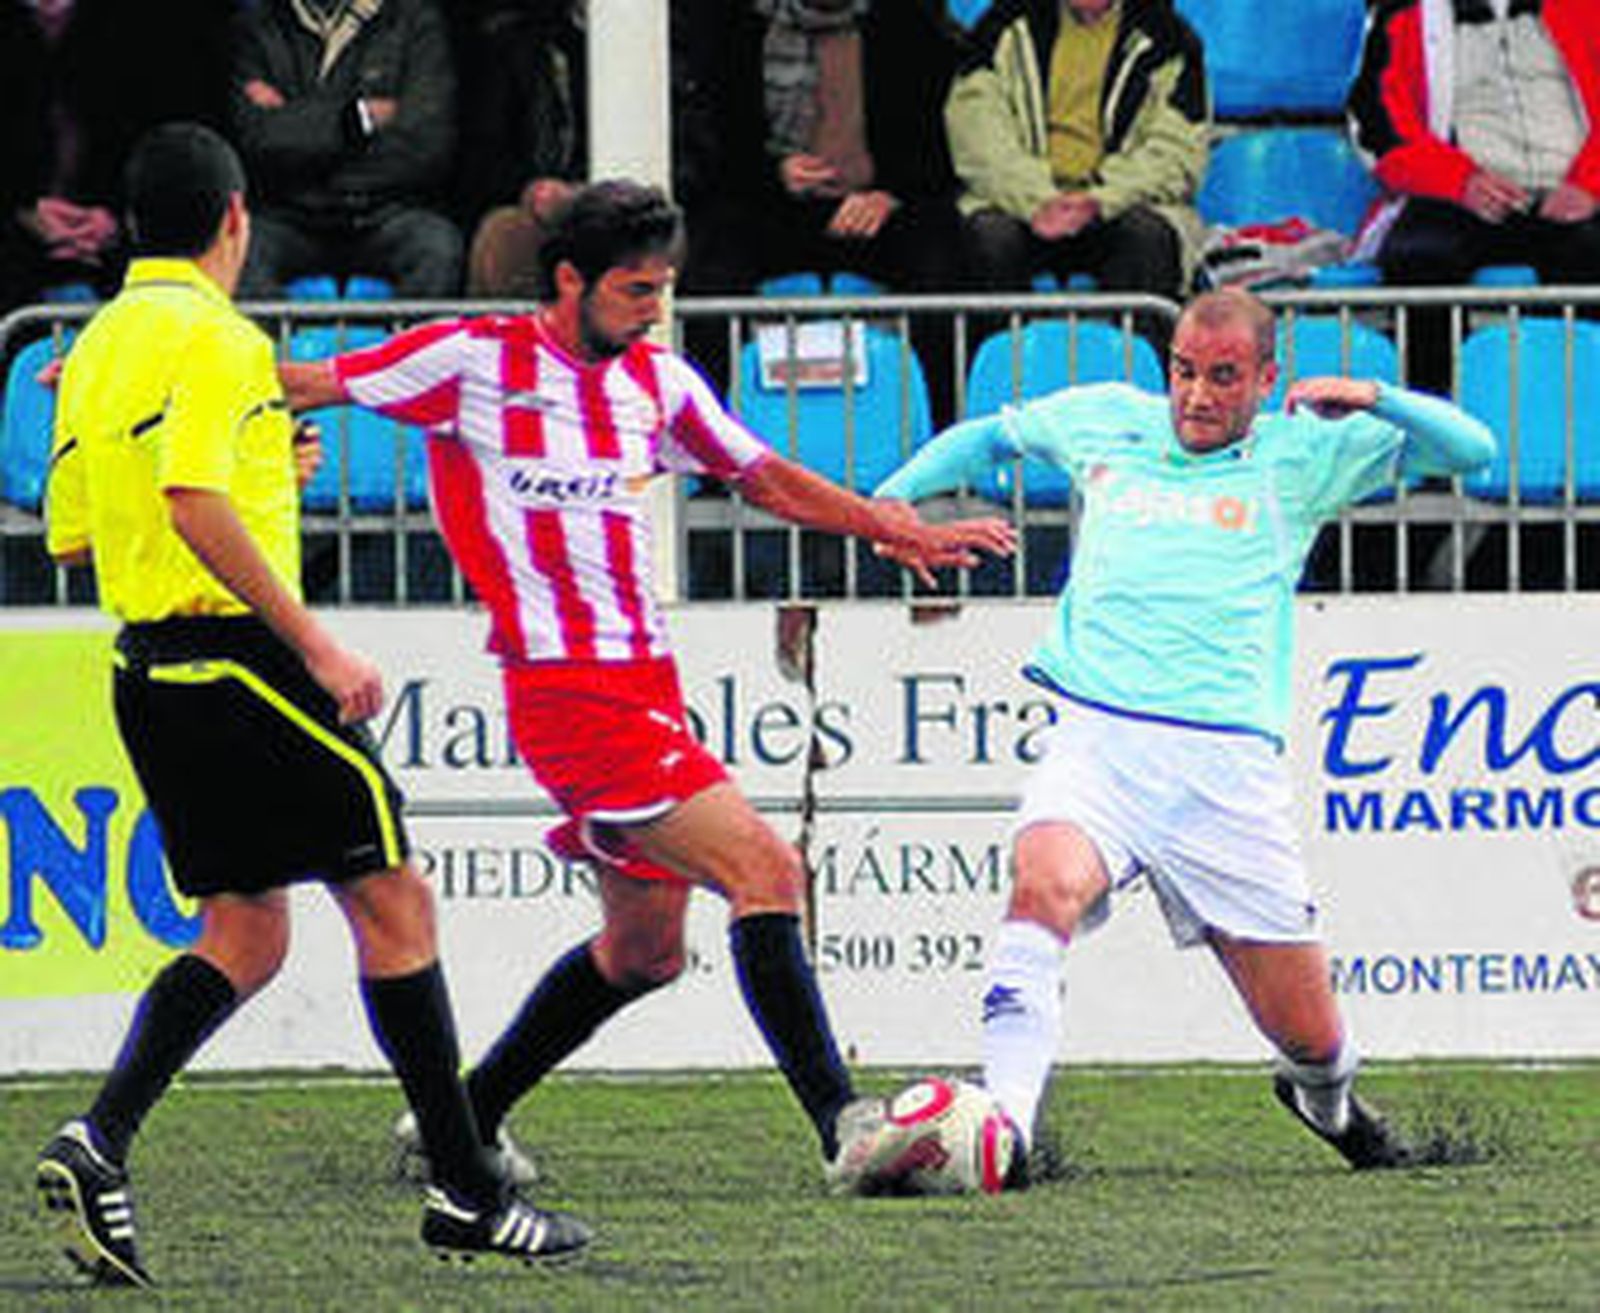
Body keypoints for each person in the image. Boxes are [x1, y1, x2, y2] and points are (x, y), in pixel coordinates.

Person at [278, 179, 1016, 1191]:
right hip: (566, 690)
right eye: (634, 288)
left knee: (643, 951)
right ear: (568, 279)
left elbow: (760, 474)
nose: (654, 307)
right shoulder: (473, 360)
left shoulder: (656, 381)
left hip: (646, 684)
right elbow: (304, 381)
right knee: (768, 871)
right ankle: (844, 1123)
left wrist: (895, 526)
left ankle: (461, 1119)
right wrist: (138, 374)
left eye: (664, 287)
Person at [36, 122, 589, 1288]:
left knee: (247, 931)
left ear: (139, 222)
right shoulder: (220, 335)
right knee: (393, 899)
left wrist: (260, 469)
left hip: (149, 670)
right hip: (241, 661)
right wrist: (319, 647)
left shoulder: (91, 345)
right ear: (236, 217)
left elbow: (80, 534)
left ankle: (100, 1138)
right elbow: (191, 501)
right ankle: (466, 1189)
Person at [866, 287, 1496, 1186]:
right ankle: (1004, 1131)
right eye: (1185, 373)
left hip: (1224, 773)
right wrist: (891, 506)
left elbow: (1475, 450)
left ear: (1267, 379)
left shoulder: (1305, 454)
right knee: (1042, 885)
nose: (1197, 396)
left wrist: (1377, 399)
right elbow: (985, 439)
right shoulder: (1107, 423)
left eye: (1224, 378)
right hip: (1100, 741)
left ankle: (1333, 1106)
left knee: (1310, 1038)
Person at [945, 0, 1209, 310]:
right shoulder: (1001, 29)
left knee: (1147, 238)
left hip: (1119, 203)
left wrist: (1099, 201)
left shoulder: (1169, 39)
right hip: (1022, 203)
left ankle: (1138, 359)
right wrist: (1037, 199)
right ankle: (999, 358)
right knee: (988, 237)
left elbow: (1175, 154)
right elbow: (978, 136)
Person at [1347, 0, 1600, 287]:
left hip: (1581, 196)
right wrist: (1460, 182)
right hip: (1459, 201)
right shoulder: (1403, 11)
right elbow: (1375, 124)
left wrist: (1590, 185)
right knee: (1420, 256)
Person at [230, 0, 462, 300]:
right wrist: (357, 119)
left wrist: (297, 121)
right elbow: (256, 138)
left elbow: (426, 146)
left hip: (385, 212)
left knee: (437, 249)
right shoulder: (259, 22)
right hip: (290, 214)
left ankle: (404, 350)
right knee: (239, 252)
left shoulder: (413, 19)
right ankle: (276, 348)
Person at [445, 0, 586, 300]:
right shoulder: (514, 46)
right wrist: (531, 190)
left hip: (641, 211)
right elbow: (482, 157)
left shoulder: (656, 37)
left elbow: (692, 152)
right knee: (503, 235)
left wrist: (592, 194)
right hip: (538, 211)